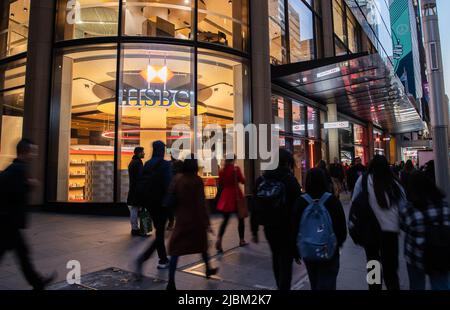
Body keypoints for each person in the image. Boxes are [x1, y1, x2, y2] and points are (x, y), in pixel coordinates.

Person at [0, 139, 56, 289]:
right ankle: (38, 282)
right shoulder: (19, 170)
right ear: (24, 152)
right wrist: (30, 185)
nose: (35, 154)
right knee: (22, 253)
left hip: (7, 221)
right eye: (33, 151)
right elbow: (17, 194)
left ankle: (37, 282)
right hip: (8, 221)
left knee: (22, 253)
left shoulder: (14, 168)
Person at [352, 155, 407, 290]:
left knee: (373, 264)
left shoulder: (363, 180)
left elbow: (355, 202)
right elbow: (403, 207)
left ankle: (374, 287)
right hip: (390, 232)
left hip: (370, 232)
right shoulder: (395, 183)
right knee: (391, 270)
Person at [166, 156, 218, 290]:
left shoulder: (178, 179)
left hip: (182, 219)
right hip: (196, 220)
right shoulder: (197, 181)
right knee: (202, 247)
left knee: (175, 251)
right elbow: (202, 203)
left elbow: (171, 196)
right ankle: (208, 269)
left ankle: (171, 281)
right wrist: (207, 223)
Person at [253, 148, 302, 290]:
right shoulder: (290, 180)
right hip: (287, 228)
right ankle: (283, 287)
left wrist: (254, 228)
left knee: (275, 255)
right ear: (287, 163)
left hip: (269, 227)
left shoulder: (262, 179)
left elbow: (255, 205)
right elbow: (297, 207)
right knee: (286, 260)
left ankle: (279, 284)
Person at [293, 168, 347, 290]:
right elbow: (341, 227)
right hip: (329, 250)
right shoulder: (332, 201)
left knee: (314, 281)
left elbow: (294, 228)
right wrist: (338, 243)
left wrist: (295, 251)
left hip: (308, 250)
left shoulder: (300, 202)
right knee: (328, 282)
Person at [400, 171, 450, 290]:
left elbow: (403, 226)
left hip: (416, 256)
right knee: (441, 285)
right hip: (441, 254)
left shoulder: (409, 209)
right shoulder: (444, 206)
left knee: (417, 285)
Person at [135, 141, 173, 274]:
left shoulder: (147, 164)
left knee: (159, 231)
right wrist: (168, 202)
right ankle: (147, 259)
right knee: (160, 233)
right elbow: (169, 184)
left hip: (150, 203)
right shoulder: (165, 165)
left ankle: (162, 259)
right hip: (162, 204)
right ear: (162, 150)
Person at [215, 155, 247, 252]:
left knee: (225, 220)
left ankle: (219, 240)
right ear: (233, 160)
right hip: (236, 196)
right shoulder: (236, 169)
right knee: (240, 219)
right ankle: (241, 240)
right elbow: (243, 180)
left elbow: (220, 183)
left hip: (226, 197)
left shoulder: (222, 170)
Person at [127, 147, 145, 236]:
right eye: (143, 152)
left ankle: (134, 228)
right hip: (137, 190)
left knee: (134, 209)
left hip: (133, 189)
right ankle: (135, 229)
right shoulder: (138, 163)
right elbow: (141, 177)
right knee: (135, 209)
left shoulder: (132, 162)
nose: (144, 153)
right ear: (139, 153)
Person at [167, 156, 183, 231]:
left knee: (172, 207)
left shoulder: (168, 164)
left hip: (173, 187)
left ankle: (172, 223)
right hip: (176, 187)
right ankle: (173, 223)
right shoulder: (180, 163)